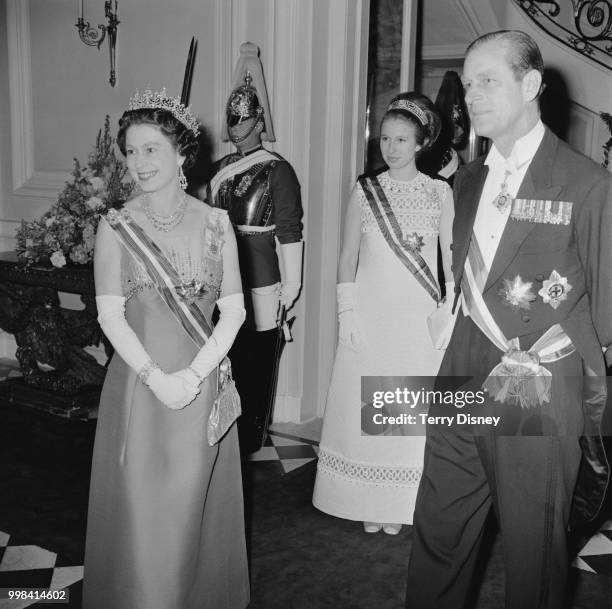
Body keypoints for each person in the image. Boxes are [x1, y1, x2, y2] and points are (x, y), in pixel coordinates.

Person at [405, 31, 611, 608]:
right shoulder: (467, 180)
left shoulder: (587, 184)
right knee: (438, 528)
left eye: (487, 80)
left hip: (536, 381)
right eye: (467, 83)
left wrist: (554, 359)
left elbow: (610, 314)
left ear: (530, 85)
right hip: (461, 371)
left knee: (532, 551)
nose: (472, 94)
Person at [83, 89, 250, 609]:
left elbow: (235, 310)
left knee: (188, 511)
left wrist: (193, 376)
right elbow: (110, 315)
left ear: (181, 153)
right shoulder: (116, 226)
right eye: (131, 151)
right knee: (141, 513)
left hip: (199, 386)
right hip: (140, 388)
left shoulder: (218, 223)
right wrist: (158, 377)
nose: (138, 163)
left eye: (151, 149)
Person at [312, 92, 454, 535]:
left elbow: (450, 256)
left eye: (401, 140)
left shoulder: (440, 192)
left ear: (420, 144)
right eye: (385, 139)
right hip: (371, 315)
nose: (391, 148)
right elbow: (347, 255)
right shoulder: (365, 190)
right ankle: (366, 498)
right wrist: (346, 310)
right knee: (365, 405)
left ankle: (402, 502)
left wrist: (450, 307)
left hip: (416, 318)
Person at [205, 42, 304, 453]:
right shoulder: (219, 169)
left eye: (244, 122)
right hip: (218, 271)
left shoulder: (279, 169)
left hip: (262, 273)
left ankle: (251, 434)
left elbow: (289, 230)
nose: (237, 130)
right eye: (233, 122)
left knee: (258, 358)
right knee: (220, 352)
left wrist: (292, 283)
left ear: (258, 122)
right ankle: (221, 428)